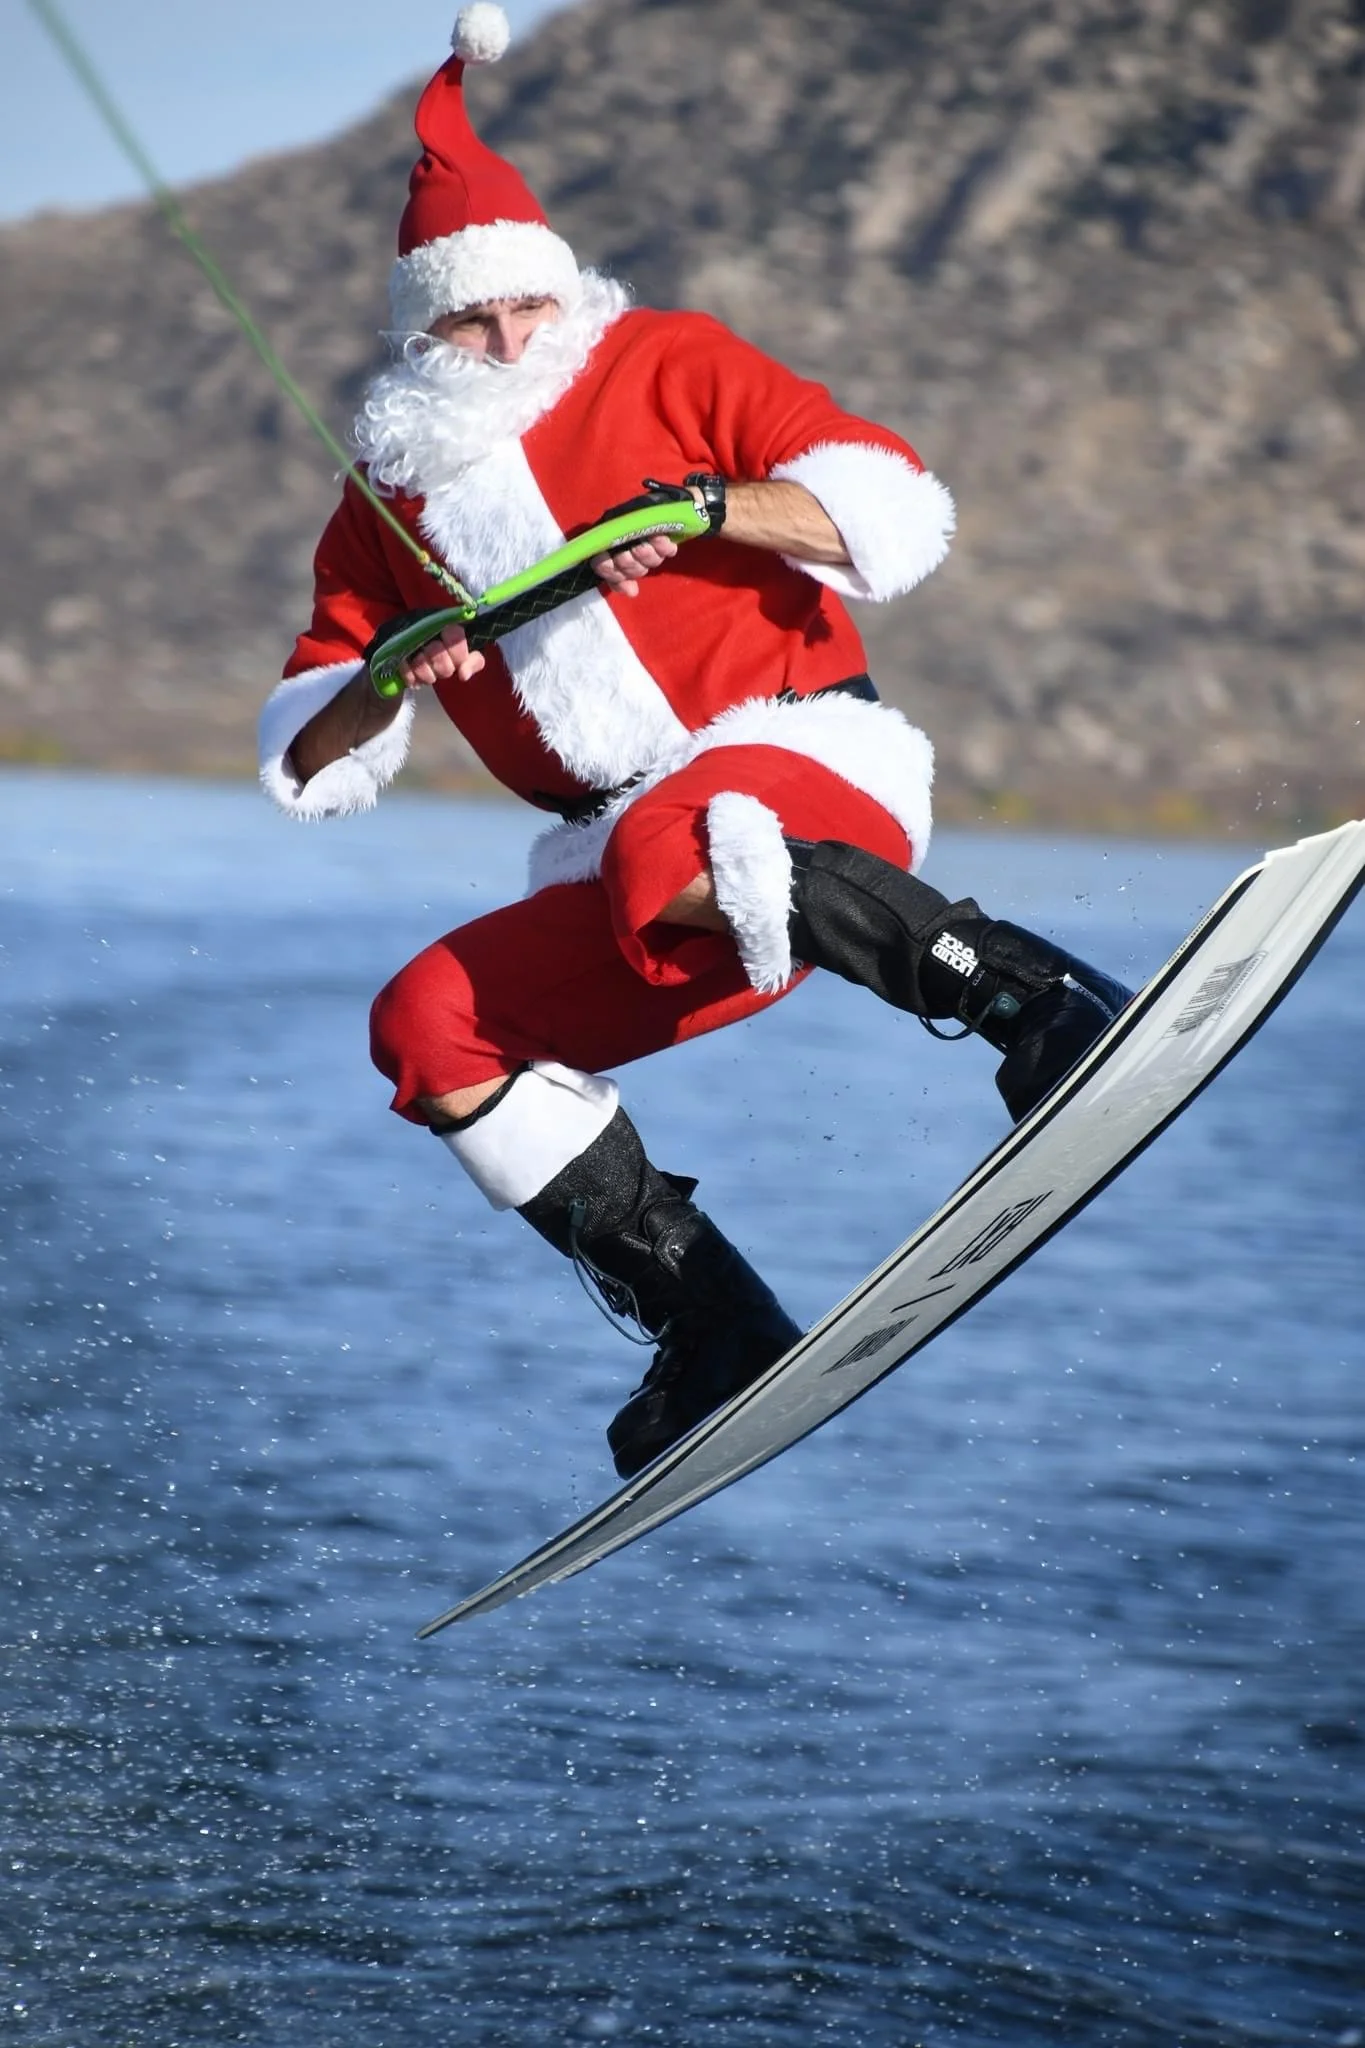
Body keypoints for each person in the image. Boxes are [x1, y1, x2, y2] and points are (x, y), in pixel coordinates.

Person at [260, 4, 1130, 1480]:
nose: (509, 341)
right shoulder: (384, 501)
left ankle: (1042, 1007)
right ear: (421, 335)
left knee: (681, 836)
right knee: (426, 1025)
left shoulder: (667, 360)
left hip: (799, 757)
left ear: (561, 287)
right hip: (622, 860)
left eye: (526, 308)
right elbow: (305, 752)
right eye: (471, 324)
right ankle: (711, 1325)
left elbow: (891, 501)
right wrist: (395, 670)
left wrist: (700, 508)